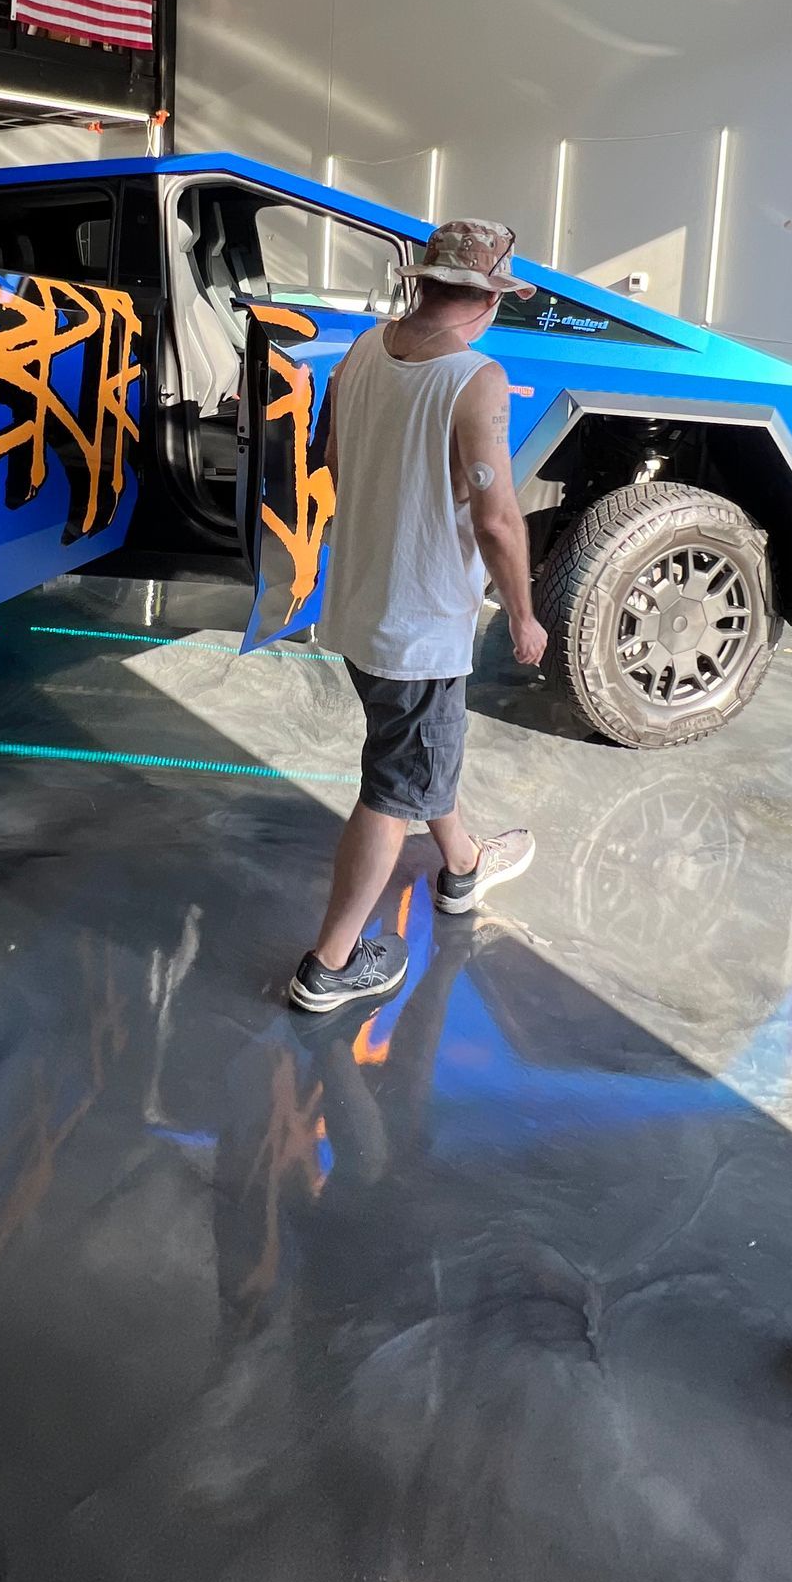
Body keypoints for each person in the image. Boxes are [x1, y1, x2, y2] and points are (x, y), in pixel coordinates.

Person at [288, 219, 548, 1014]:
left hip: (361, 605)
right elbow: (498, 518)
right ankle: (330, 965)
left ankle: (462, 866)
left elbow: (331, 454)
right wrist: (526, 614)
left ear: (426, 282)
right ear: (486, 299)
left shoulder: (365, 349)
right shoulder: (477, 378)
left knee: (416, 753)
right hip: (422, 624)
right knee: (393, 790)